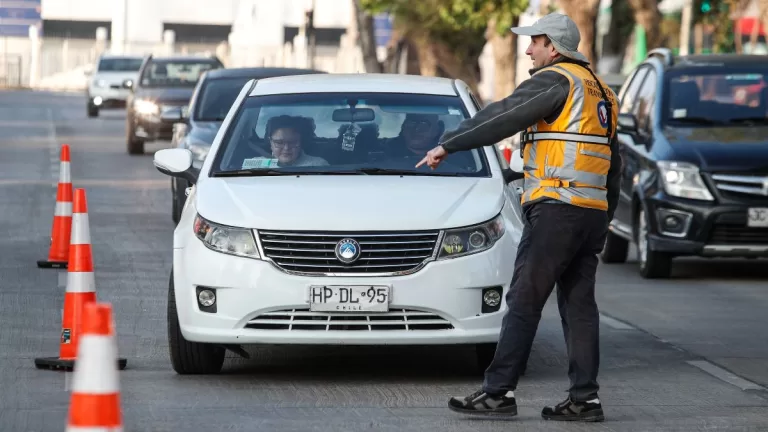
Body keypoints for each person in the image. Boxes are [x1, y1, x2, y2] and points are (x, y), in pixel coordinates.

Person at [416, 12, 621, 422]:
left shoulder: (557, 80)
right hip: (589, 213)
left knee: (524, 298)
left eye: (535, 42)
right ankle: (585, 399)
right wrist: (604, 219)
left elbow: (503, 114)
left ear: (553, 46)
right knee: (579, 306)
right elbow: (614, 165)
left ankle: (498, 392)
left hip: (558, 209)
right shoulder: (602, 92)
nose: (528, 49)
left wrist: (449, 144)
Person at [240, 115, 329, 168]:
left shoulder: (318, 165)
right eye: (279, 143)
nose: (286, 148)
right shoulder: (255, 165)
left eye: (292, 142)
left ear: (301, 142)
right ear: (270, 142)